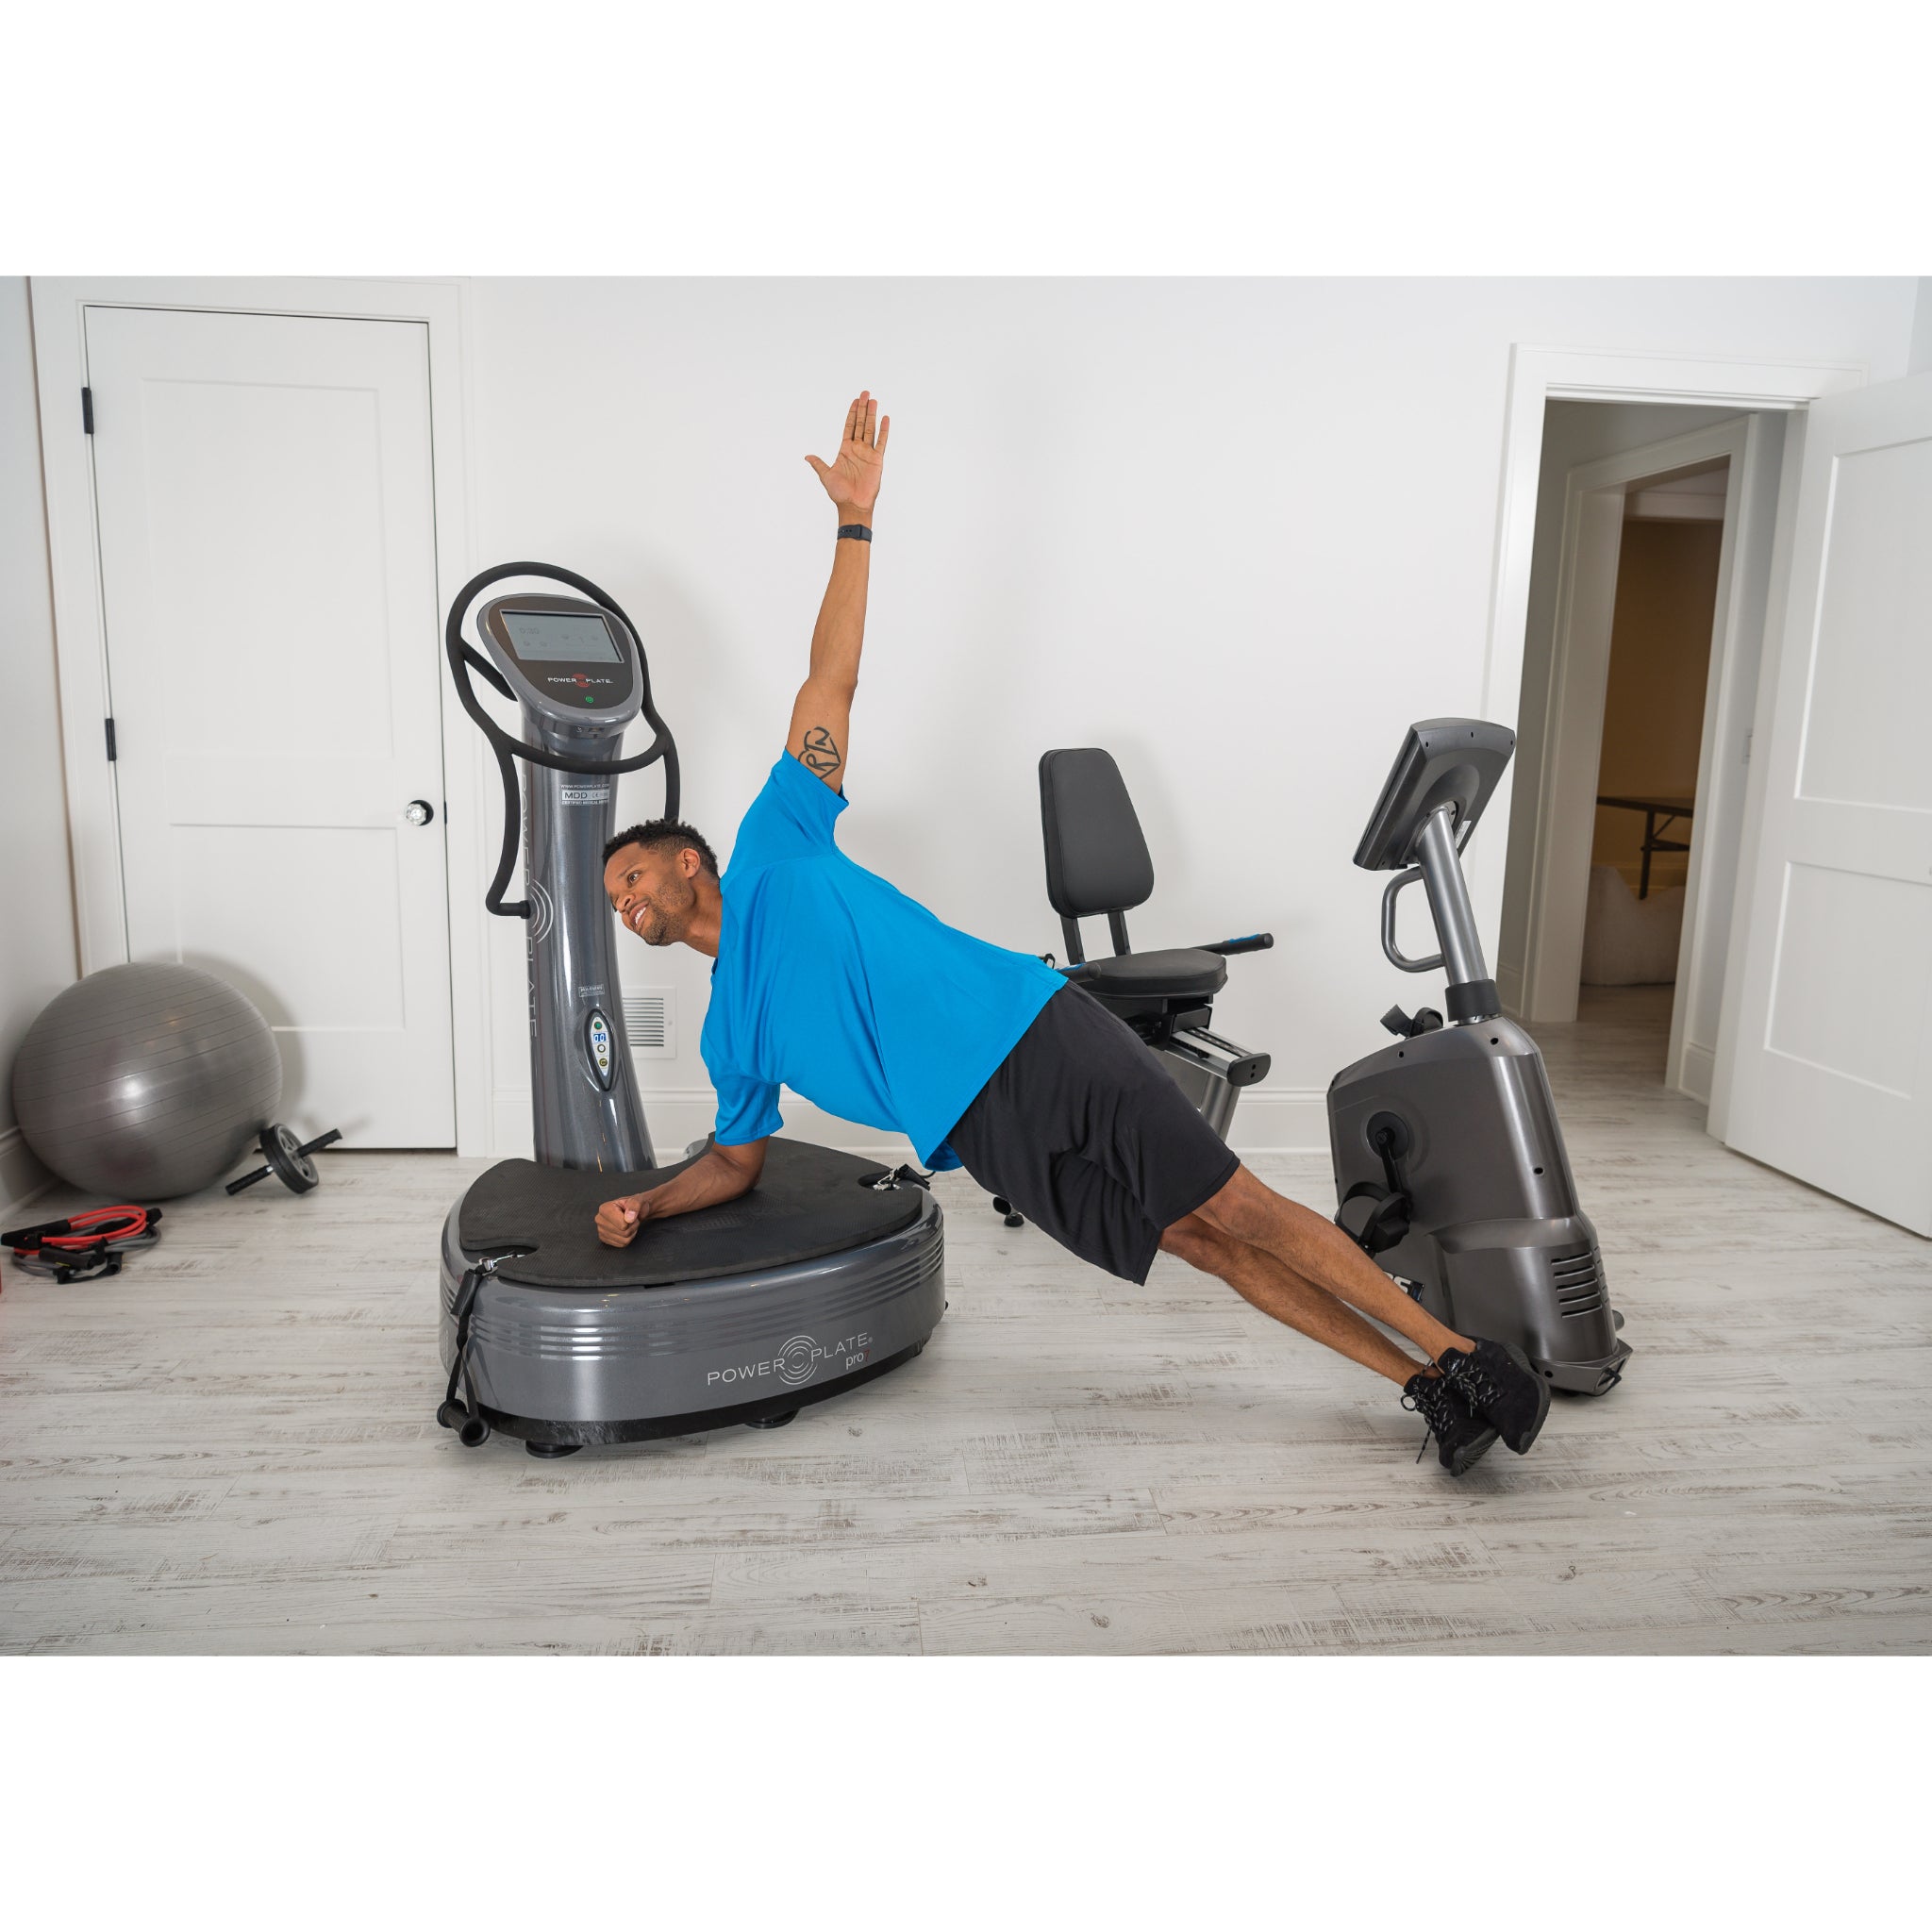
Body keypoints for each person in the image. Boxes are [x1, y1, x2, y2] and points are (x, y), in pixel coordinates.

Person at [594, 393, 1548, 1475]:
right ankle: (1428, 1389)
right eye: (611, 899)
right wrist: (648, 1200)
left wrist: (854, 523)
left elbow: (833, 677)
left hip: (1031, 1031)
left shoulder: (776, 839)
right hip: (980, 1134)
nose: (623, 902)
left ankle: (1467, 1354)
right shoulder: (730, 1034)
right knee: (1195, 1241)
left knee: (1237, 1202)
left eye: (629, 875)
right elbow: (734, 1156)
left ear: (686, 861)